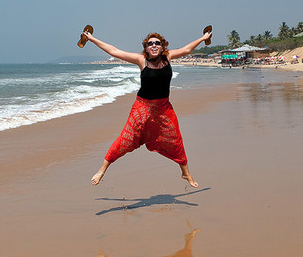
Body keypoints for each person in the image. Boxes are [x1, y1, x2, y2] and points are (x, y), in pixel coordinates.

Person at [81, 28, 212, 188]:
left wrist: (204, 37)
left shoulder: (168, 57)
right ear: (146, 47)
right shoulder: (141, 60)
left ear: (163, 46)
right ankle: (102, 170)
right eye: (150, 43)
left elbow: (187, 49)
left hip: (163, 108)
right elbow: (114, 51)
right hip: (142, 108)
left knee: (175, 138)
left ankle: (186, 173)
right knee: (126, 138)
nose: (154, 45)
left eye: (157, 43)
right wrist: (92, 39)